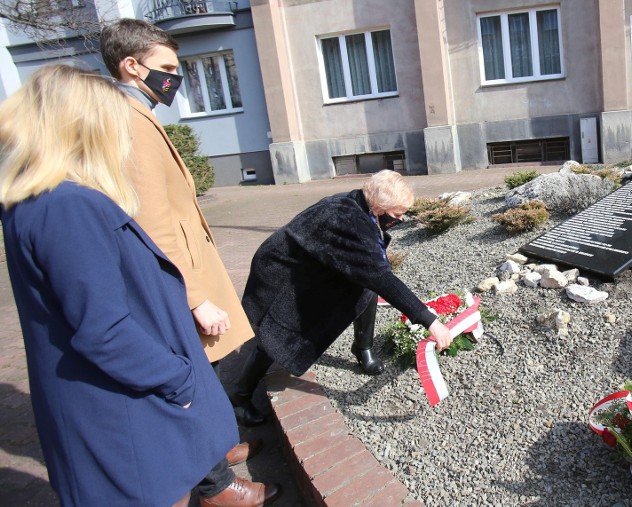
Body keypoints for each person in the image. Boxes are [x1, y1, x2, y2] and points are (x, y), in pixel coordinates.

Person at [0, 64, 238, 507]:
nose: (125, 138)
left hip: (108, 403)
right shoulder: (68, 206)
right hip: (122, 412)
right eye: (117, 124)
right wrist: (179, 381)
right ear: (86, 129)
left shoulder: (37, 201)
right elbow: (104, 330)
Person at [99, 19, 279, 507]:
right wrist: (195, 297)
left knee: (198, 375)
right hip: (175, 283)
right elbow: (153, 221)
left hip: (181, 273)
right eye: (168, 69)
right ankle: (217, 486)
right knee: (189, 382)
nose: (175, 80)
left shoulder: (135, 111)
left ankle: (218, 449)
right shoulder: (129, 119)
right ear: (131, 66)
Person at [230, 170, 452, 415]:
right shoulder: (347, 219)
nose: (402, 219)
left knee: (363, 287)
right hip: (281, 274)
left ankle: (362, 348)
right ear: (378, 207)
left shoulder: (359, 204)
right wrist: (430, 321)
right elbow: (381, 277)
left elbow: (370, 275)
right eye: (398, 214)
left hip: (307, 267)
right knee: (275, 337)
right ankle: (239, 398)